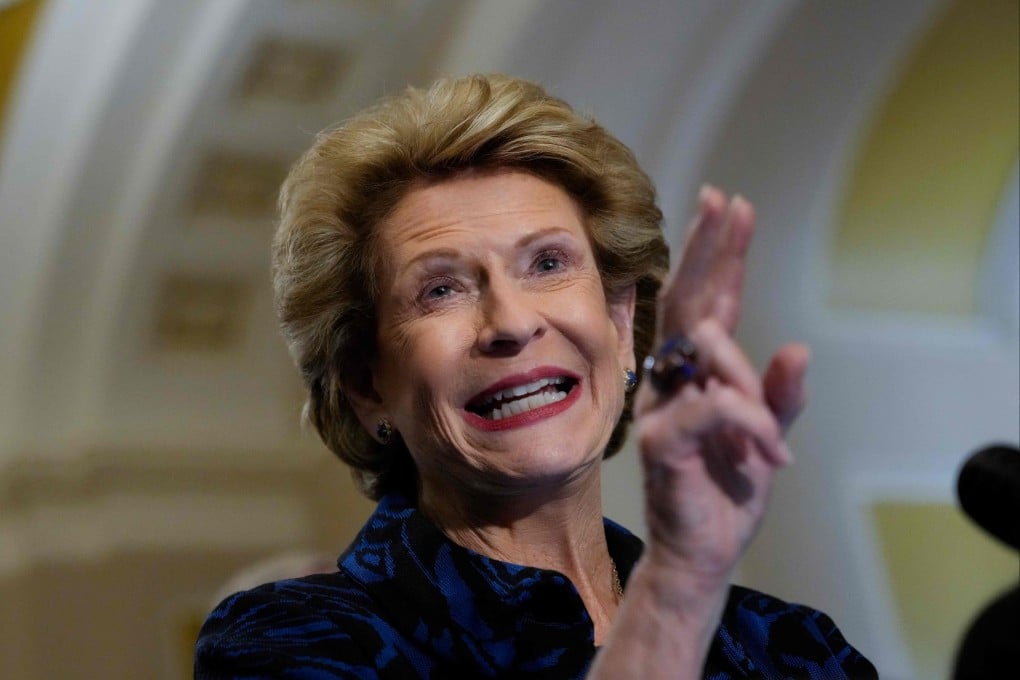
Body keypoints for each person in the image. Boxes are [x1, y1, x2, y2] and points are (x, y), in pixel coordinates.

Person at [194, 74, 878, 679]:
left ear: (619, 321)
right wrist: (676, 588)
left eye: (548, 264)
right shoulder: (291, 644)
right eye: (440, 290)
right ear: (365, 384)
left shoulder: (793, 650)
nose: (512, 323)